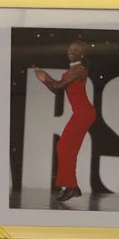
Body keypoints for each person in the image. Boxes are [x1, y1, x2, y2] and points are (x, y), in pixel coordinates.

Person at [33, 40, 96, 206]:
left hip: (84, 114)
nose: (71, 52)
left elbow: (58, 86)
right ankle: (71, 186)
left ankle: (71, 187)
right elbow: (56, 89)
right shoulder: (70, 71)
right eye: (70, 48)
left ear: (82, 54)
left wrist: (45, 78)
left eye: (75, 50)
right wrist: (45, 79)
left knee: (64, 147)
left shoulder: (79, 70)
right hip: (81, 114)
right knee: (64, 147)